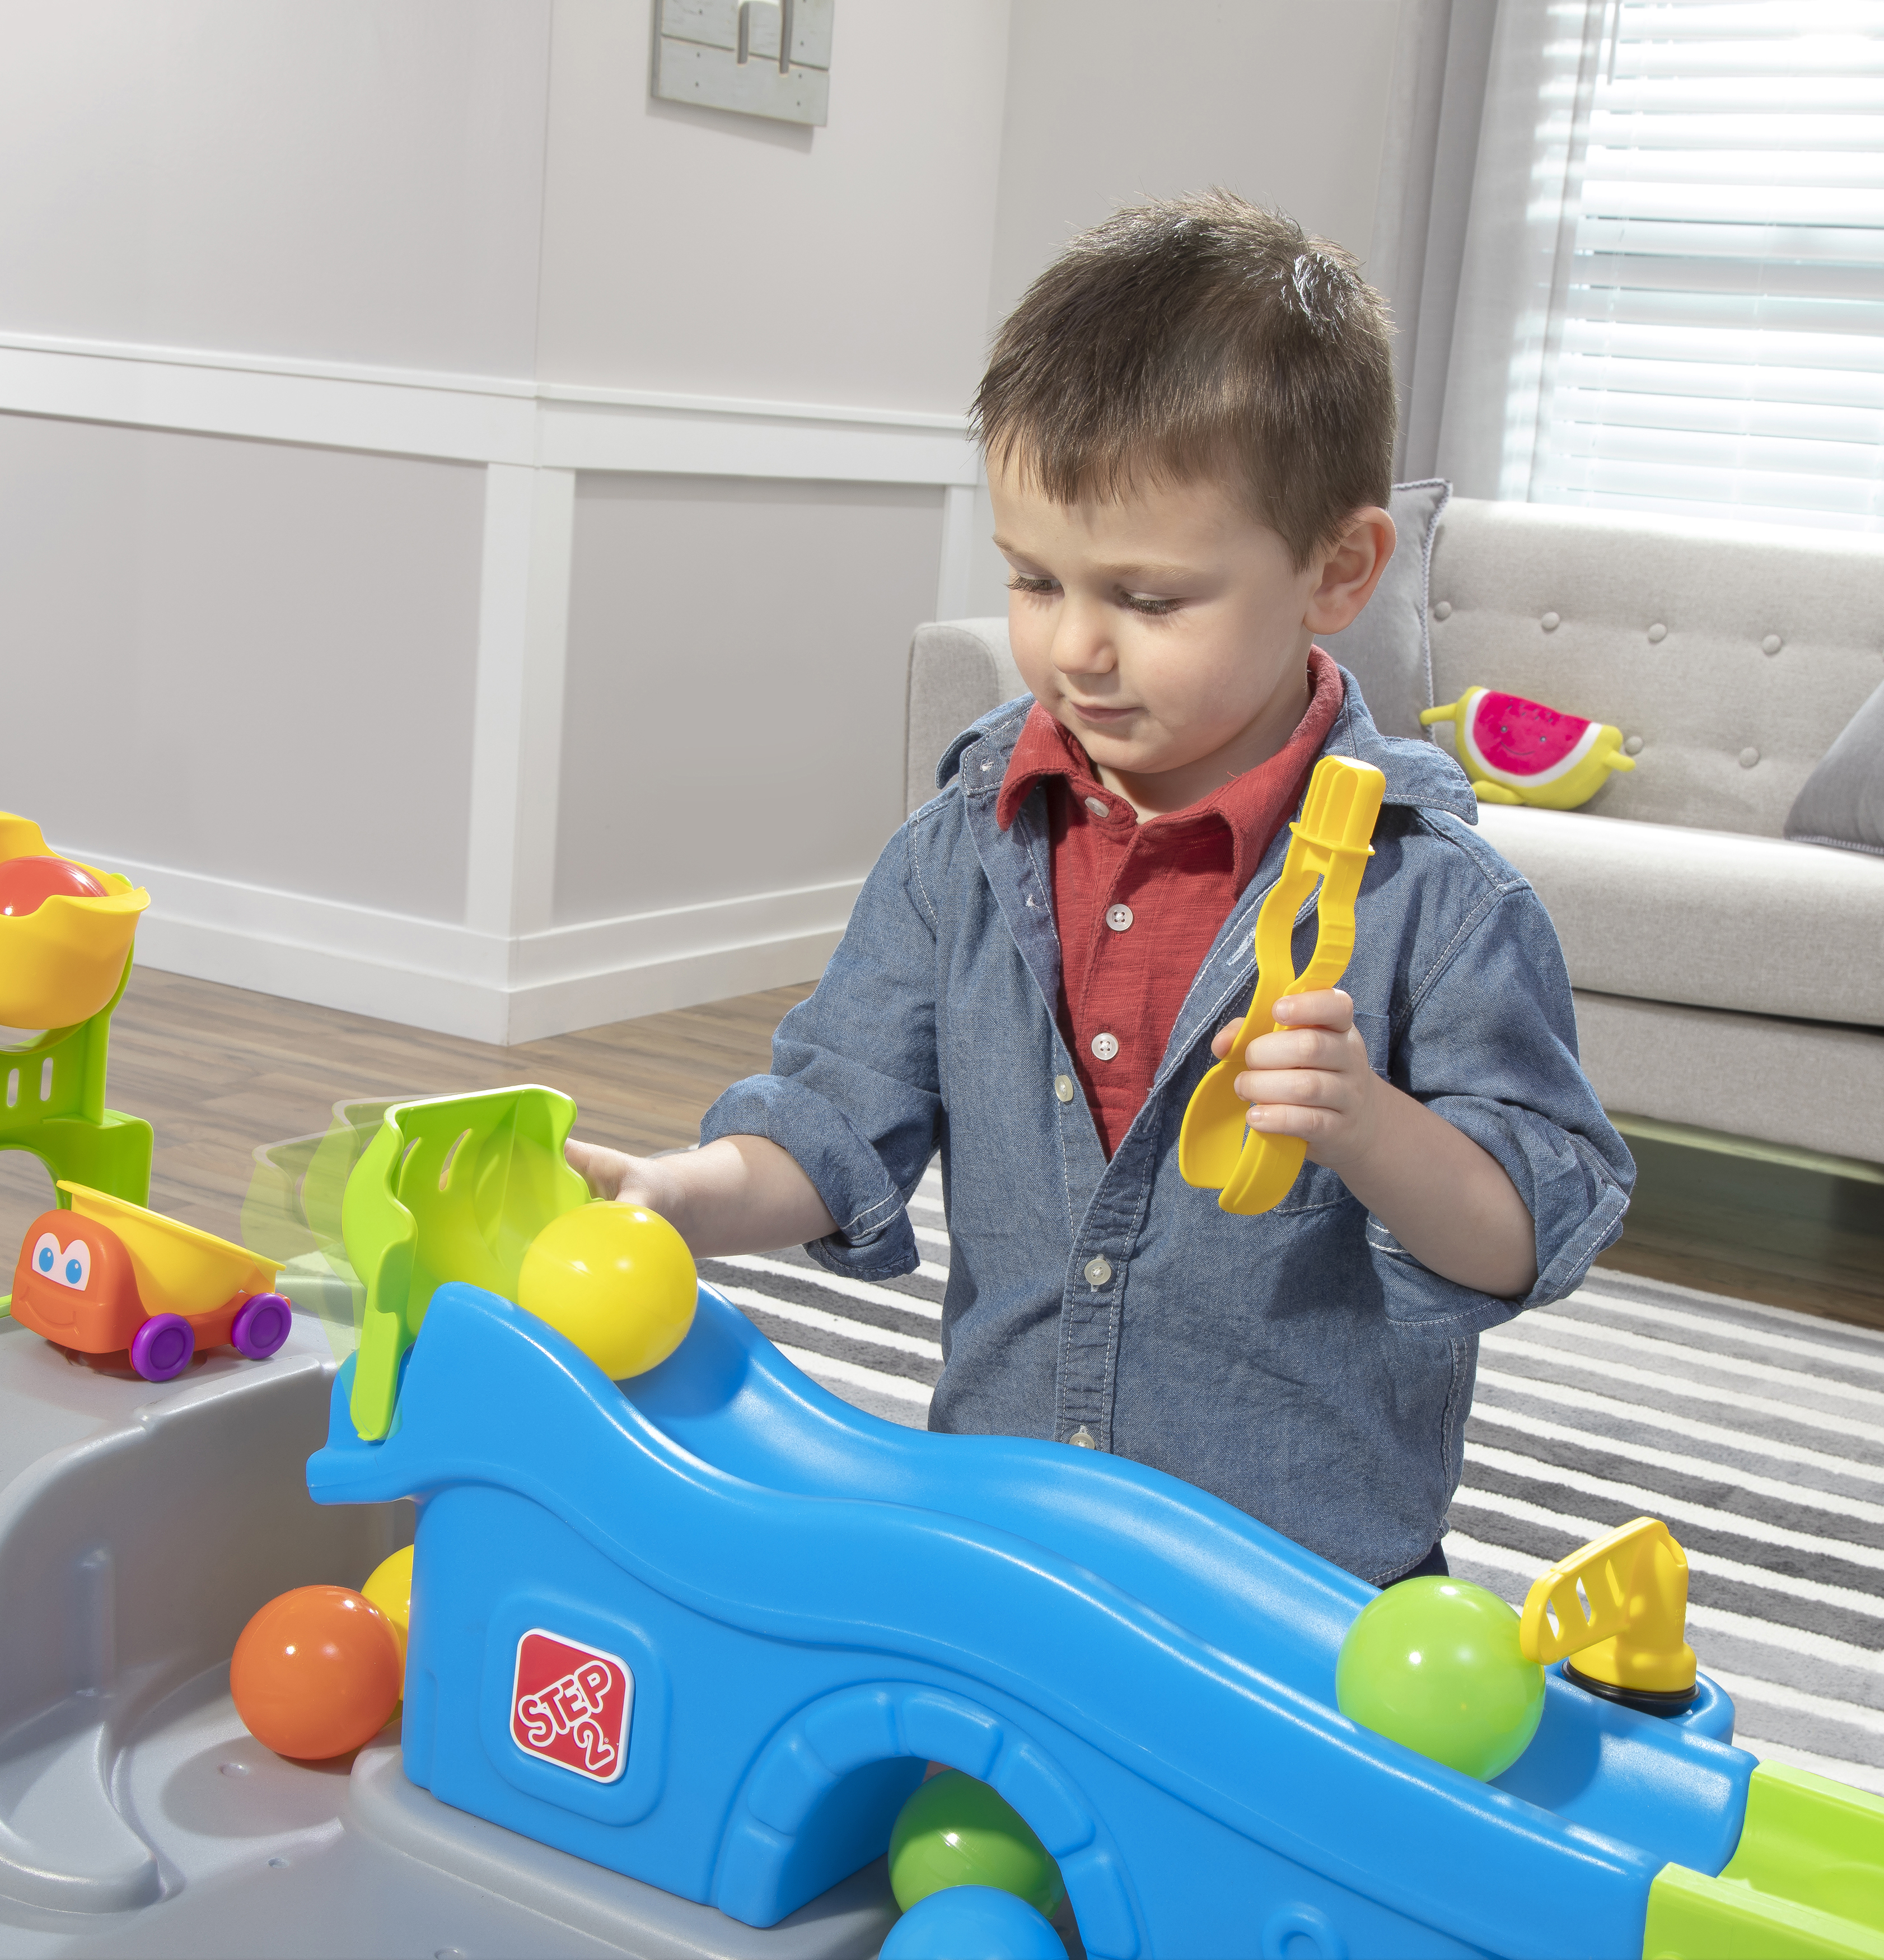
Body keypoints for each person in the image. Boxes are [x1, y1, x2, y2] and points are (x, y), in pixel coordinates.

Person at [567, 190, 1633, 1589]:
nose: (1074, 647)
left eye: (1149, 599)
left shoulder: (1437, 902)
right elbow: (833, 1126)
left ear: (1337, 570)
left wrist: (1368, 1127)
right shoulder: (960, 852)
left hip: (1299, 1583)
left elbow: (1518, 1242)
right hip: (1010, 1546)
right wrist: (677, 1194)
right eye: (1033, 579)